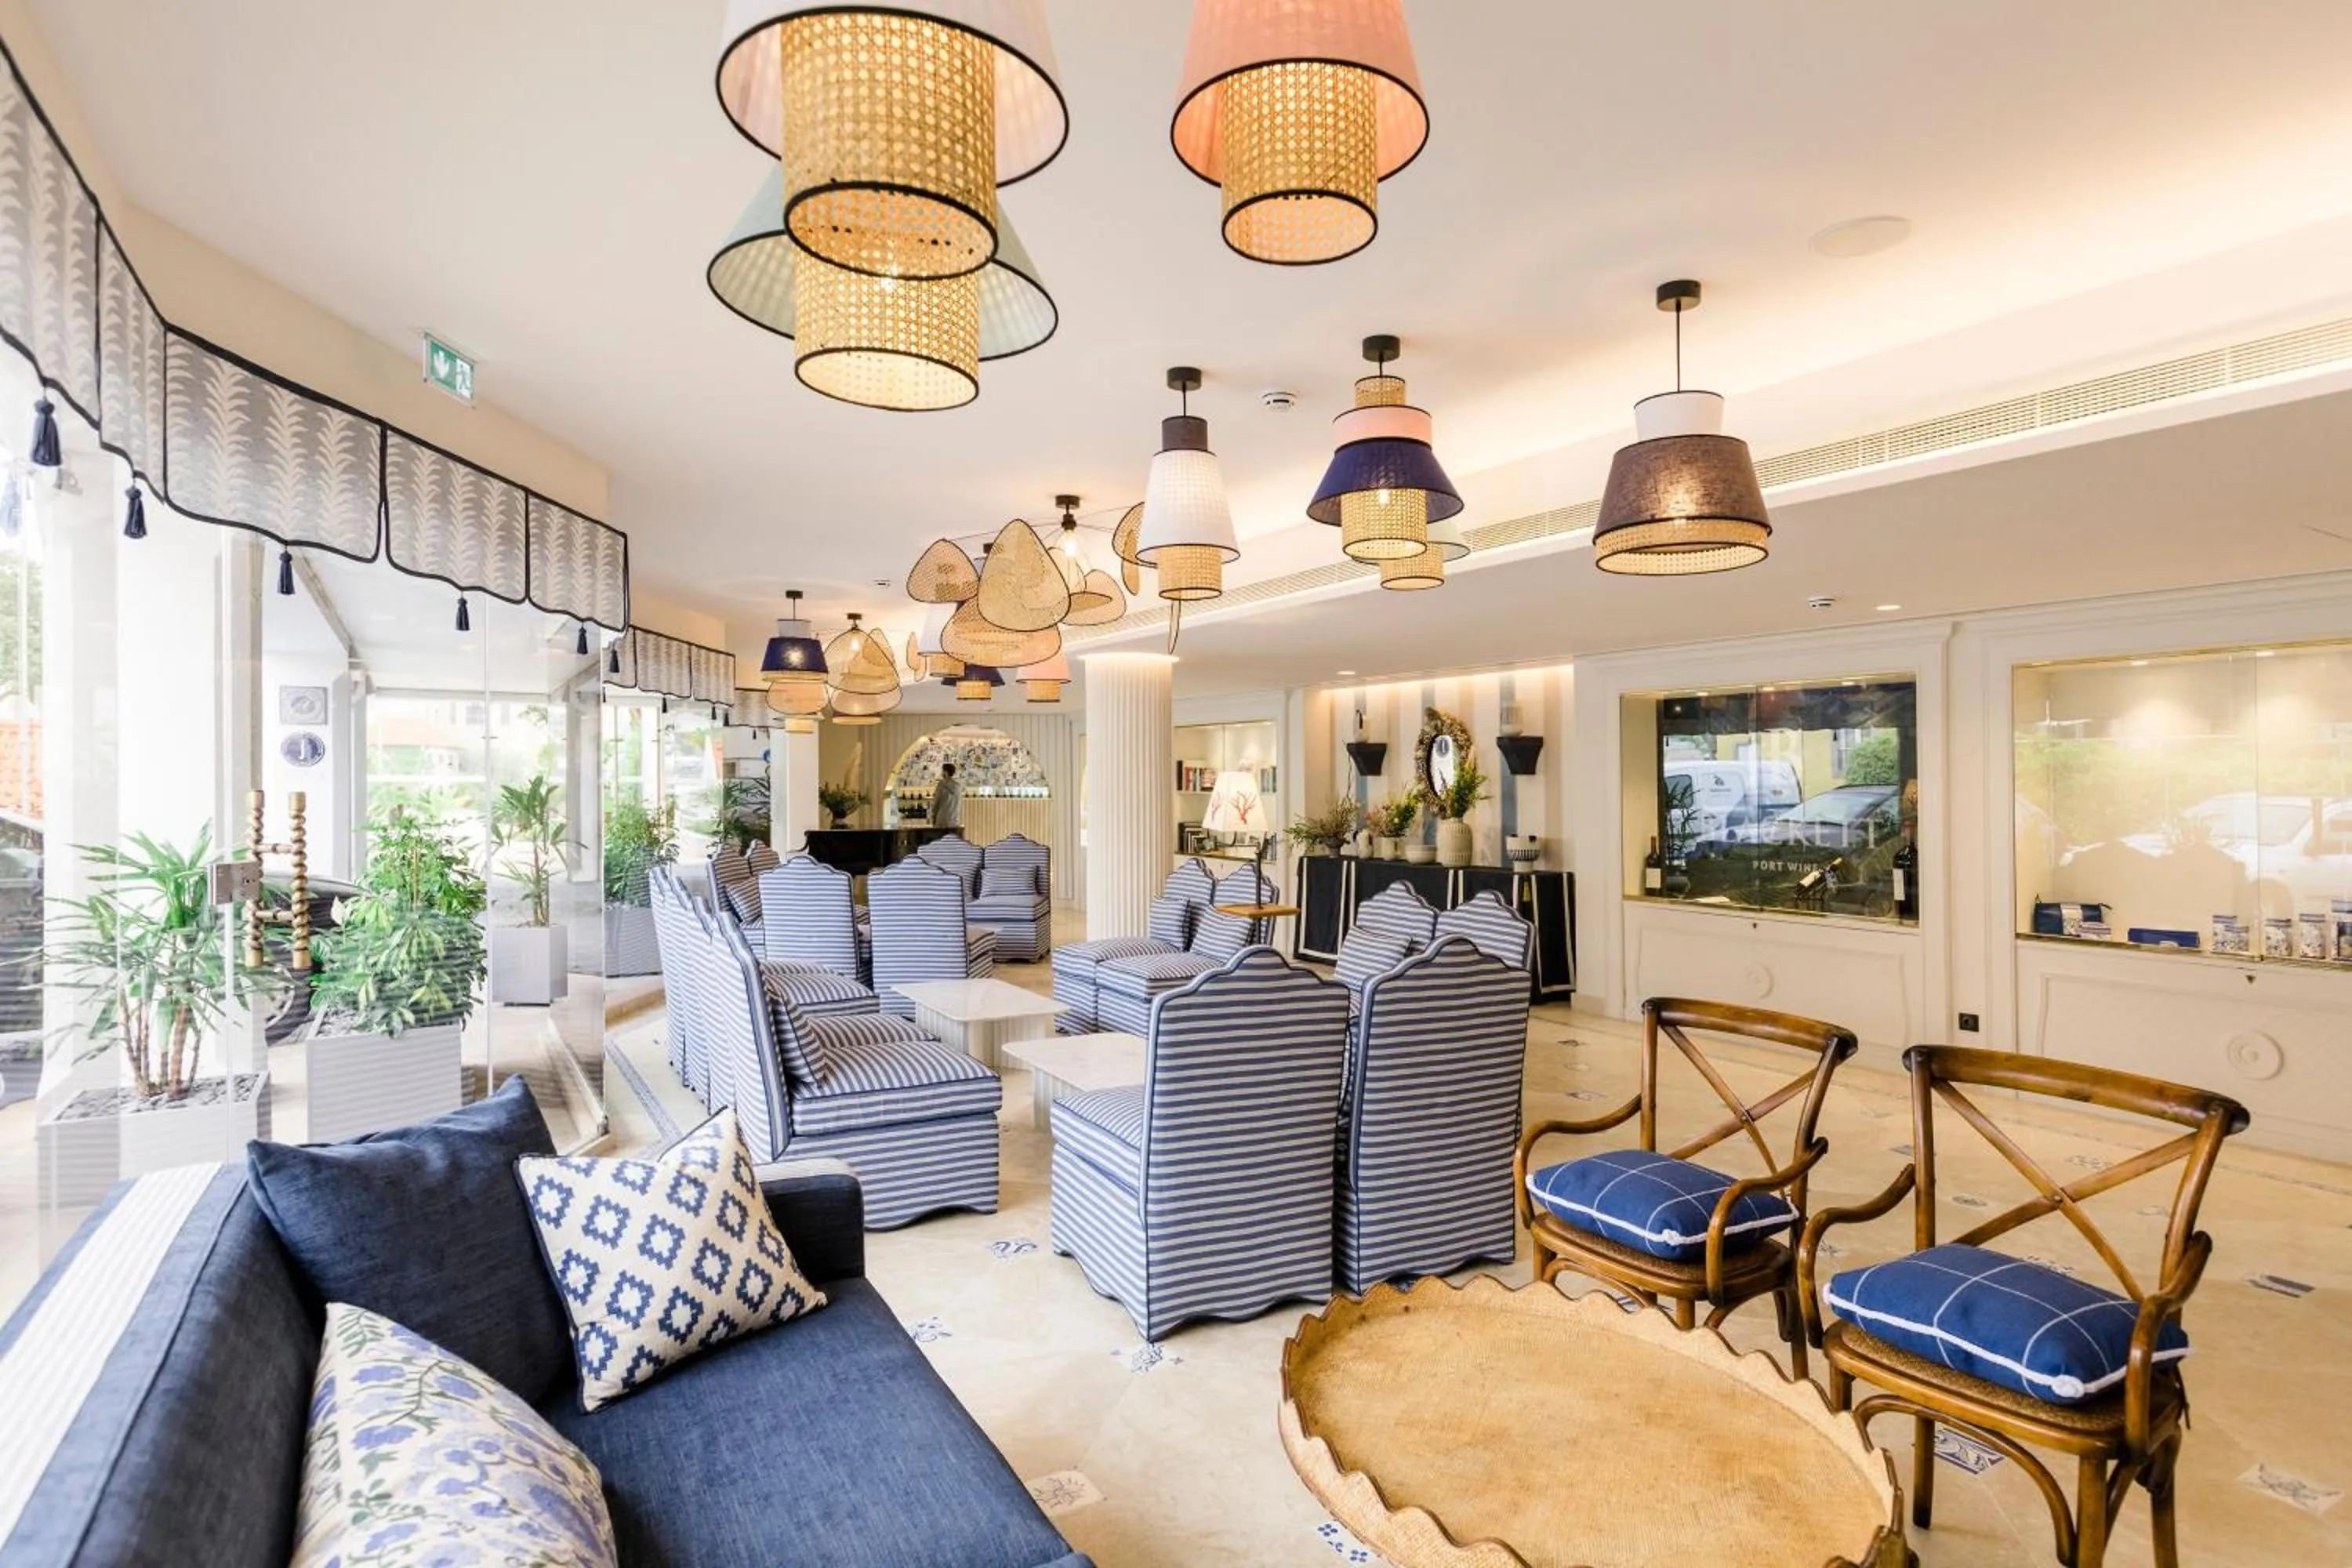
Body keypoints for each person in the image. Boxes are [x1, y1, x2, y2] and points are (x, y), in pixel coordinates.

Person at [931, 761, 963, 830]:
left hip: (942, 820)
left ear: (946, 772)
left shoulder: (942, 785)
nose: (941, 773)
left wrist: (933, 816)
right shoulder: (958, 786)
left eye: (942, 771)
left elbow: (936, 802)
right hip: (954, 820)